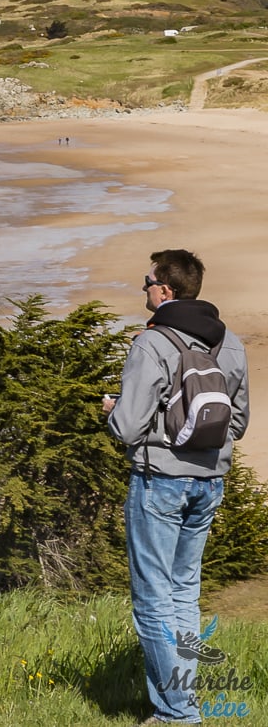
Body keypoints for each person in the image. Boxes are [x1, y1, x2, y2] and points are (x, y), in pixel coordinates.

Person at [105, 249, 250, 725]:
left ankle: (176, 713)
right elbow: (240, 421)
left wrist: (111, 410)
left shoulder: (151, 344)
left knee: (152, 598)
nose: (143, 287)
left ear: (164, 290)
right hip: (210, 482)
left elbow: (127, 428)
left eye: (146, 280)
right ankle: (183, 702)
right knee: (185, 592)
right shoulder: (229, 342)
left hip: (159, 481)